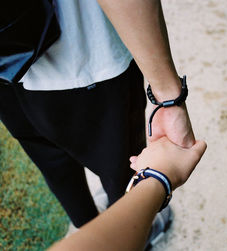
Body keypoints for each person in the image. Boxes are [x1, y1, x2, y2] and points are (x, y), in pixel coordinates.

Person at [0, 0, 194, 231]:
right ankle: (128, 234)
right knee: (122, 167)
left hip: (6, 72)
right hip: (83, 58)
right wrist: (169, 98)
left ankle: (86, 227)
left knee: (52, 163)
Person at [49, 137, 207, 251]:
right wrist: (159, 175)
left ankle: (89, 223)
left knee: (54, 163)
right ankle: (138, 232)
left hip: (26, 103)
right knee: (120, 153)